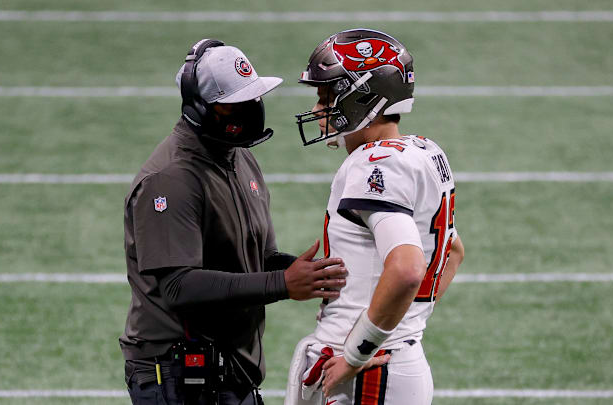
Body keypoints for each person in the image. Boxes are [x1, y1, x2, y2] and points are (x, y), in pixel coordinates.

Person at [120, 39, 348, 405]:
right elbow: (178, 286)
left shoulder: (238, 158)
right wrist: (284, 283)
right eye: (236, 104)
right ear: (199, 108)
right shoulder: (171, 178)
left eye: (254, 98)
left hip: (229, 373)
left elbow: (258, 259)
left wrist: (309, 273)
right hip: (181, 377)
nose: (251, 109)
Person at [285, 29, 465, 405]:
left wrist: (356, 353)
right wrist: (405, 326)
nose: (320, 108)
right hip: (395, 359)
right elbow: (453, 252)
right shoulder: (423, 151)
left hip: (372, 374)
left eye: (327, 95)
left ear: (363, 94)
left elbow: (407, 269)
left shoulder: (373, 165)